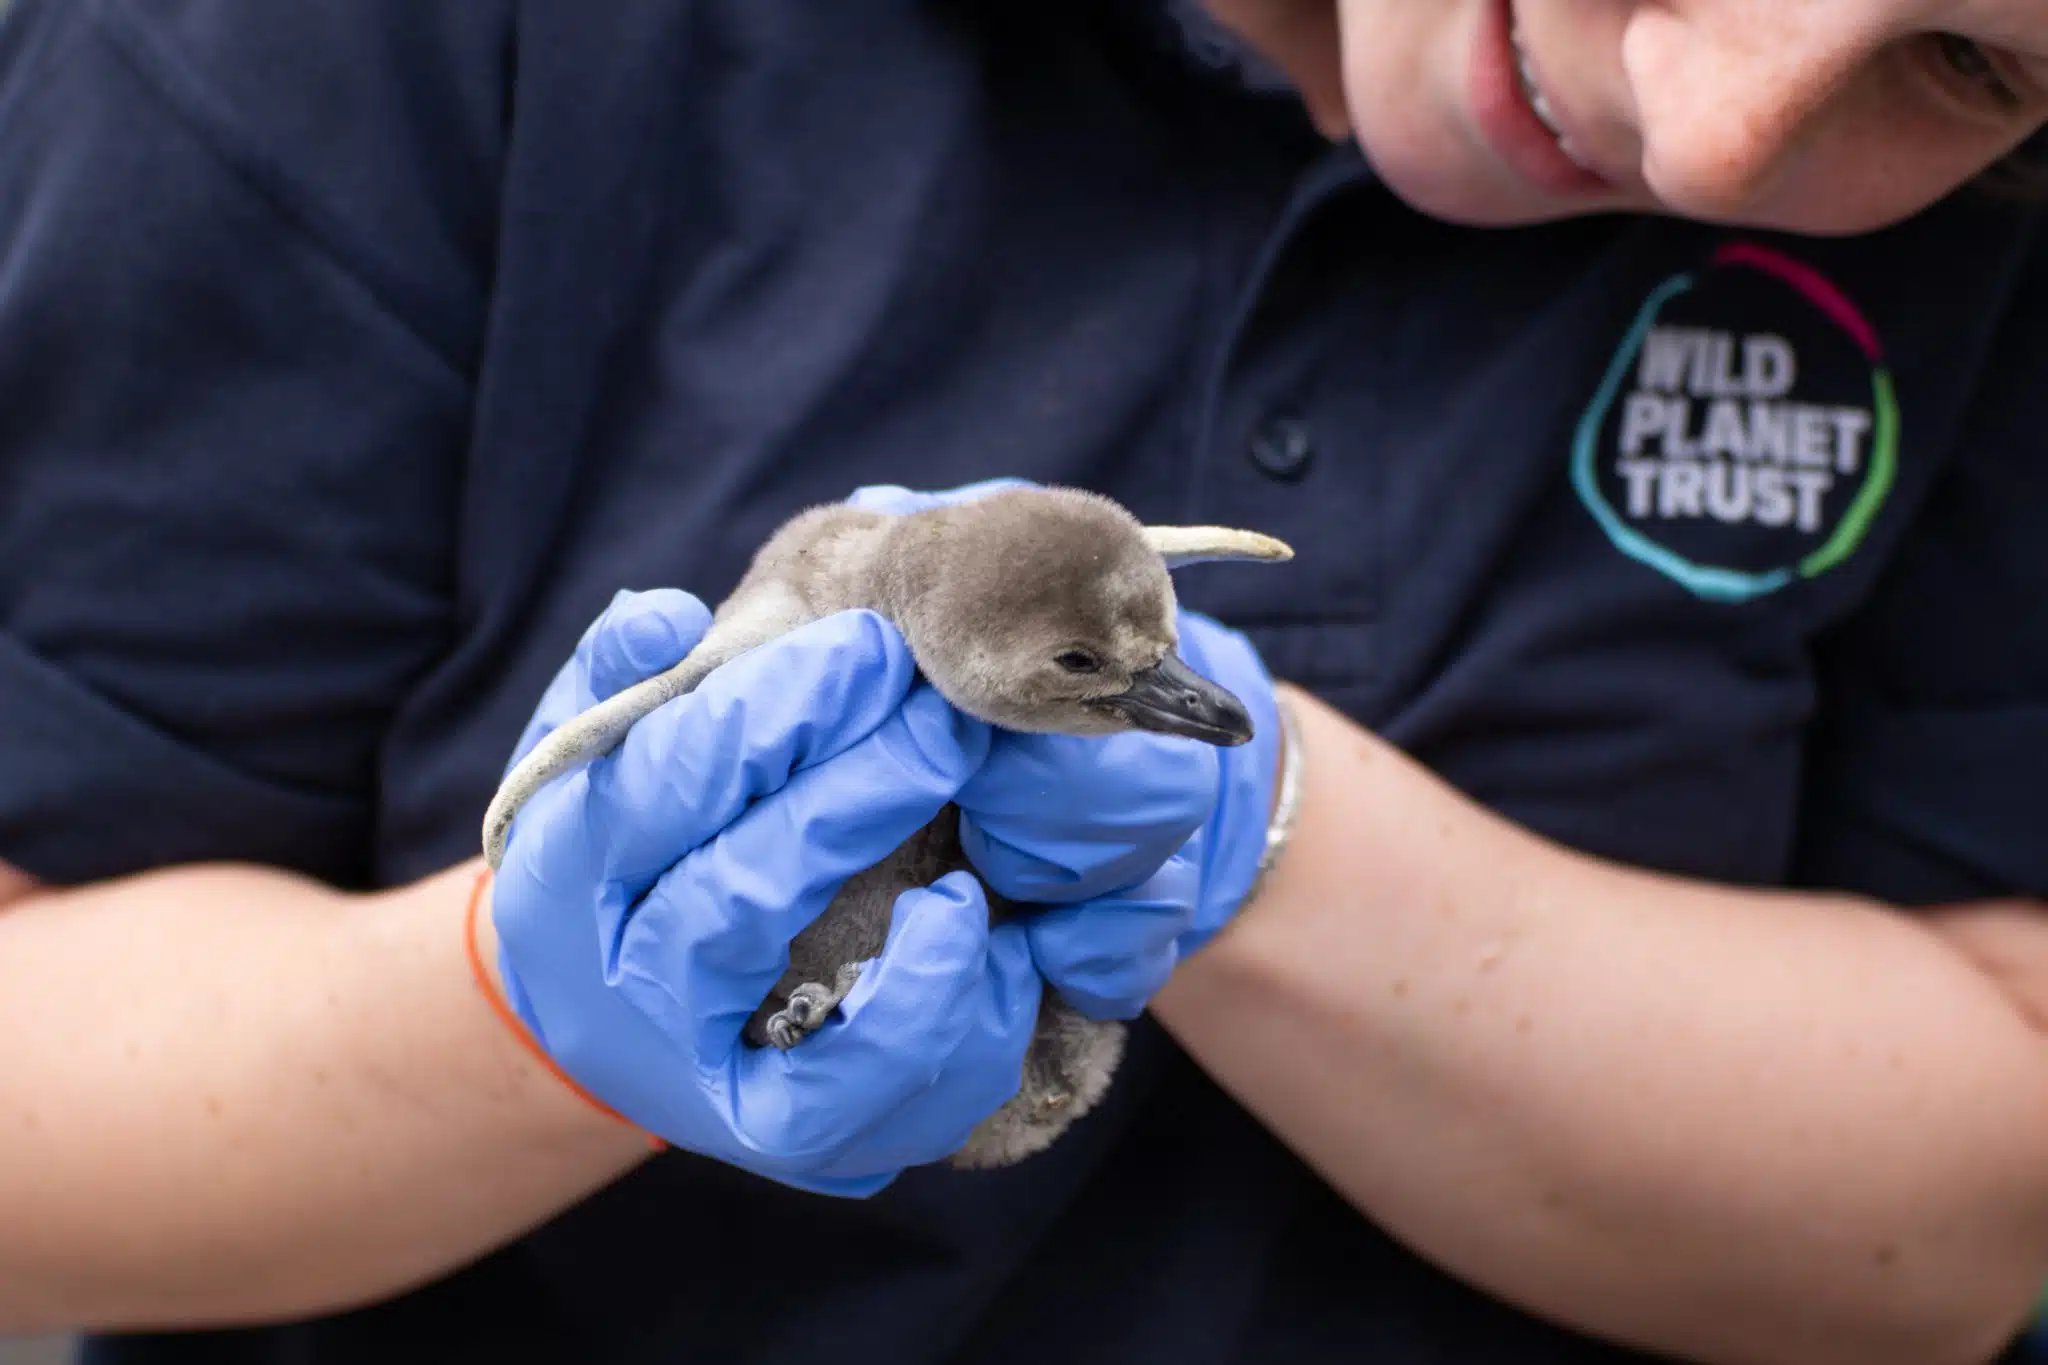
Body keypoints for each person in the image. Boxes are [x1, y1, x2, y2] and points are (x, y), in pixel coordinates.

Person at [0, 0, 2045, 1362]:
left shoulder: (1983, 247)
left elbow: (1974, 1219)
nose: (1714, 127)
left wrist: (1273, 846)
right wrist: (520, 1006)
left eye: (1968, 59)